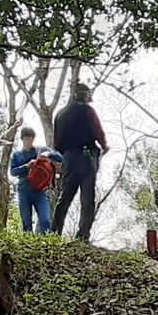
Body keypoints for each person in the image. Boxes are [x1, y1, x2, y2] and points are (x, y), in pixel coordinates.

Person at [51, 83, 110, 241]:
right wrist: (104, 146)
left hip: (69, 157)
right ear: (85, 95)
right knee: (87, 197)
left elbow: (55, 144)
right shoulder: (88, 110)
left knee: (66, 195)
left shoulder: (60, 114)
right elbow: (98, 130)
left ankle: (54, 232)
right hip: (86, 156)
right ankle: (83, 235)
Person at [10, 127, 63, 235]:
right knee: (26, 221)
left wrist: (48, 154)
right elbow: (12, 172)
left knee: (45, 220)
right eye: (26, 139)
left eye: (31, 138)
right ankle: (27, 245)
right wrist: (26, 166)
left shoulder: (40, 150)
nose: (29, 141)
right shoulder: (17, 155)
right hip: (24, 189)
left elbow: (61, 157)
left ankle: (46, 244)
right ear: (22, 139)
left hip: (39, 190)